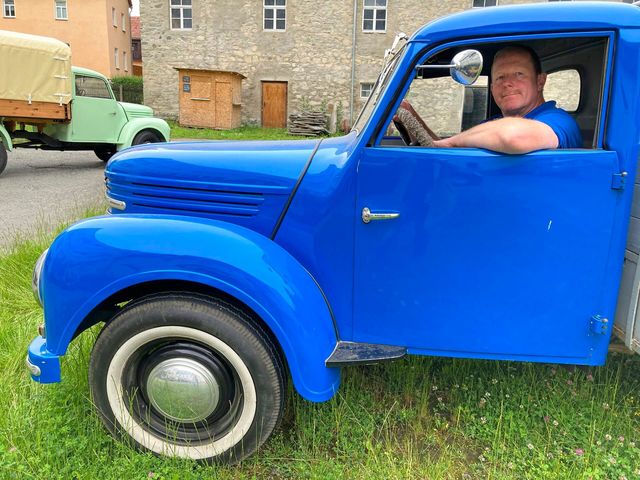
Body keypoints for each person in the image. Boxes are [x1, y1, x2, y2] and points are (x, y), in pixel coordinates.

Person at [397, 45, 582, 154]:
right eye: (500, 77)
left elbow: (512, 136)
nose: (507, 83)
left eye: (519, 74)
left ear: (540, 81)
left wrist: (453, 141)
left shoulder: (558, 120)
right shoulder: (493, 124)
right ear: (492, 88)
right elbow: (446, 151)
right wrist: (410, 115)